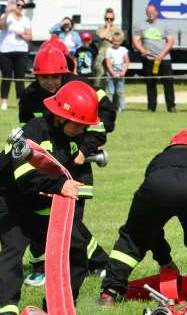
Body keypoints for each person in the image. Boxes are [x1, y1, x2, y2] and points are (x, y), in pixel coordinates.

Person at [0, 82, 101, 315]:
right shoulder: (32, 133)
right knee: (14, 245)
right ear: (61, 117)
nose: (82, 130)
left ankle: (58, 309)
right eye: (79, 124)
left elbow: (79, 184)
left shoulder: (73, 138)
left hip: (41, 194)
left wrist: (71, 221)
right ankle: (1, 313)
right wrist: (59, 186)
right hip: (9, 196)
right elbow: (25, 177)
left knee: (76, 248)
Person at [18, 38, 117, 287]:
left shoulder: (79, 88)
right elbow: (27, 131)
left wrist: (84, 150)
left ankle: (87, 264)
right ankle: (55, 264)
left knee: (71, 223)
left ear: (64, 73)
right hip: (46, 168)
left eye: (56, 76)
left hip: (76, 167)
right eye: (45, 77)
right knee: (43, 218)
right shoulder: (30, 97)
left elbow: (100, 123)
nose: (51, 82)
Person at [98, 129, 187, 305]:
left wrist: (164, 259)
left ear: (171, 146)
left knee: (134, 237)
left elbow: (150, 227)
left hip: (159, 184)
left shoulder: (158, 159)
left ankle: (110, 292)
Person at [133, 3, 176, 113]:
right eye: (148, 12)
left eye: (152, 12)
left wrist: (162, 54)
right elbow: (135, 40)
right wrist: (142, 50)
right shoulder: (140, 25)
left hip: (164, 59)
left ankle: (171, 107)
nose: (150, 14)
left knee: (168, 83)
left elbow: (170, 41)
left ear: (157, 12)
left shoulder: (165, 26)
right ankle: (151, 107)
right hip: (149, 59)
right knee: (151, 84)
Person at [0, 0, 32, 110]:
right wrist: (7, 12)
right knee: (6, 77)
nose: (20, 8)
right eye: (18, 5)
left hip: (21, 51)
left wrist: (21, 34)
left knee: (20, 78)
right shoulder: (7, 17)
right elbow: (1, 26)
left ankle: (20, 101)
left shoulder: (26, 20)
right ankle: (4, 101)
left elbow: (30, 37)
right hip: (6, 50)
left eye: (22, 6)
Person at [104, 30, 129, 112]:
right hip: (111, 72)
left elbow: (126, 61)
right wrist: (113, 73)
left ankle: (122, 108)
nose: (116, 43)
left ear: (121, 41)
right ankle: (109, 108)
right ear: (112, 41)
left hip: (120, 71)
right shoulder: (109, 50)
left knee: (120, 92)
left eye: (118, 41)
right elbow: (108, 63)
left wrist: (123, 72)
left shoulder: (124, 50)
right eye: (114, 41)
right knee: (110, 92)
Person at [95, 8, 117, 85]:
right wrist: (107, 28)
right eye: (107, 18)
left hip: (113, 57)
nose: (109, 20)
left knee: (111, 78)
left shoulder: (117, 30)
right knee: (99, 77)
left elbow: (118, 42)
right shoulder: (100, 28)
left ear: (114, 19)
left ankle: (111, 96)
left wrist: (107, 38)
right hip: (101, 57)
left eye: (111, 19)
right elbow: (101, 36)